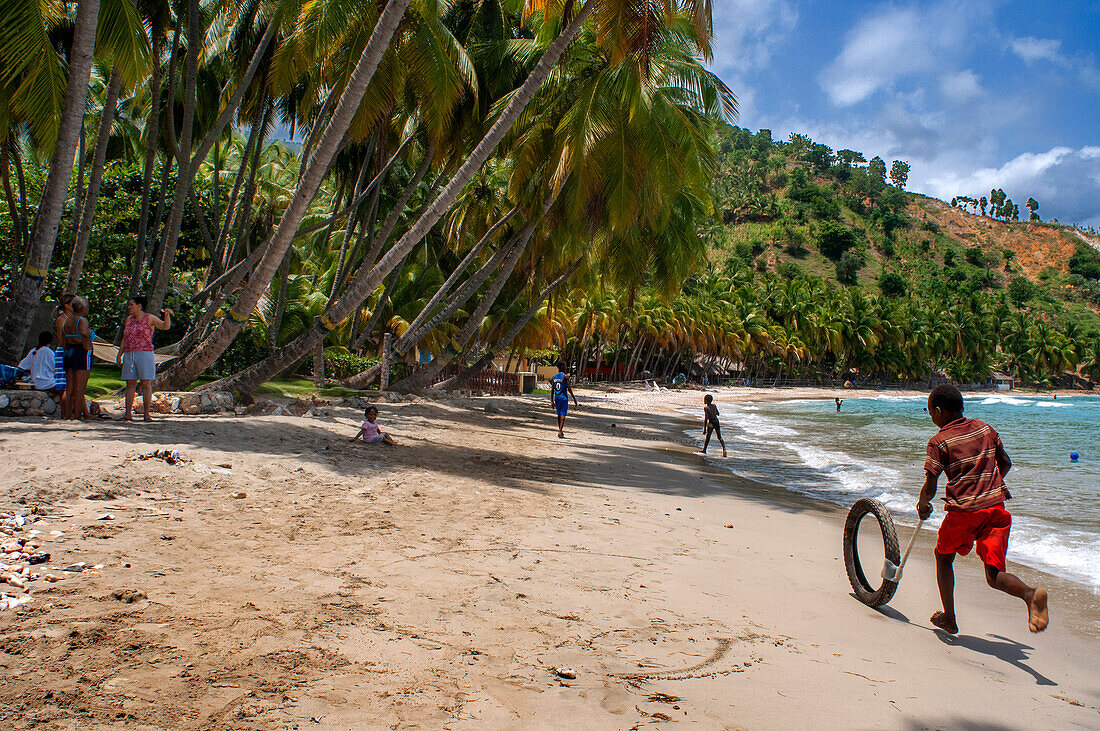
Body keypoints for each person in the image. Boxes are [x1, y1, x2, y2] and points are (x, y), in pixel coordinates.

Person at [917, 384, 1048, 635]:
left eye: (930, 412)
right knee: (993, 574)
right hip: (995, 509)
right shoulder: (985, 428)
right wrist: (988, 486)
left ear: (938, 411)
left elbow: (930, 484)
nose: (931, 416)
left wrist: (923, 504)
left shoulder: (939, 441)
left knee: (943, 557)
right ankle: (1030, 595)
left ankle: (949, 617)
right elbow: (1005, 463)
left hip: (964, 513)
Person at [117, 296, 171, 422]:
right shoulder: (128, 320)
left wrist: (167, 315)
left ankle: (146, 414)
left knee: (146, 383)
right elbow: (125, 339)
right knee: (130, 383)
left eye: (131, 304)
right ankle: (127, 414)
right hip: (130, 353)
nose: (129, 307)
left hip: (145, 353)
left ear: (139, 305)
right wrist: (120, 354)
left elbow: (164, 326)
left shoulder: (149, 318)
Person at [61, 296, 92, 420]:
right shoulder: (82, 320)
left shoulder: (67, 321)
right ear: (83, 308)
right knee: (80, 388)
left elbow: (62, 339)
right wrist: (87, 346)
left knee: (69, 387)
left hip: (68, 351)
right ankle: (77, 416)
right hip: (80, 351)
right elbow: (84, 333)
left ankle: (67, 415)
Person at [54, 296, 73, 418]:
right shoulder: (62, 319)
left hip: (68, 351)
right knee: (64, 385)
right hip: (63, 352)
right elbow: (61, 340)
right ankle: (65, 414)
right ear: (66, 305)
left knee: (70, 384)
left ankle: (68, 413)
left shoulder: (70, 319)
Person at [550, 361, 577, 439]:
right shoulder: (565, 376)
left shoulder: (554, 377)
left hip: (557, 398)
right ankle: (560, 430)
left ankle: (560, 431)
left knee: (559, 415)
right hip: (564, 398)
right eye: (565, 366)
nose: (566, 367)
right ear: (562, 367)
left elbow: (552, 390)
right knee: (563, 415)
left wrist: (552, 401)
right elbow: (569, 388)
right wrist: (574, 399)